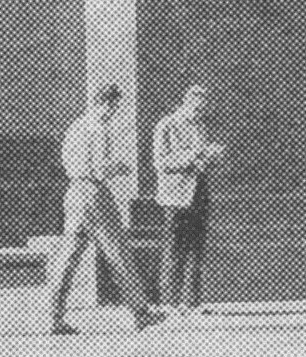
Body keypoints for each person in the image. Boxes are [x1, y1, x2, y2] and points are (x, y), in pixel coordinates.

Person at [44, 86, 166, 336]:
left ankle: (54, 316)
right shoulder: (99, 127)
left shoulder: (77, 126)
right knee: (118, 251)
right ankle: (140, 312)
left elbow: (68, 161)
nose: (114, 111)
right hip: (94, 193)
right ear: (107, 104)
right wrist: (120, 167)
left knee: (68, 255)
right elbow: (100, 169)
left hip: (75, 192)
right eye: (114, 106)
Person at [152, 84, 224, 312]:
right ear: (187, 103)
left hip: (199, 191)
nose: (200, 113)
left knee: (197, 248)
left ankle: (193, 302)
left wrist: (211, 158)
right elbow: (160, 162)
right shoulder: (166, 125)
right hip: (175, 195)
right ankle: (169, 303)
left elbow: (198, 162)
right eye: (197, 108)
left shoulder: (200, 125)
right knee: (174, 248)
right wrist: (194, 154)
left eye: (203, 109)